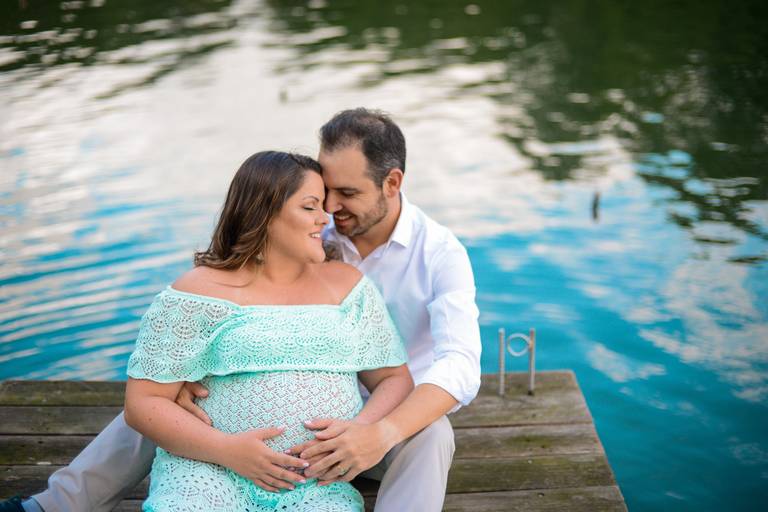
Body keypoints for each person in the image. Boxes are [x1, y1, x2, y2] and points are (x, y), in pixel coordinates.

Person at [7, 108, 481, 512]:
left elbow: (459, 365)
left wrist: (376, 431)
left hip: (378, 417)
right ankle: (57, 503)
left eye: (347, 195)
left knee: (433, 433)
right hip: (246, 419)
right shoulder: (315, 229)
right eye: (323, 195)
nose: (332, 210)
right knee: (169, 398)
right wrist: (197, 360)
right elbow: (237, 271)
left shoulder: (438, 254)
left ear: (391, 183)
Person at [128, 150, 413, 511]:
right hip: (208, 470)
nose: (325, 220)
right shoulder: (195, 292)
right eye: (310, 207)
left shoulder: (349, 287)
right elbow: (143, 404)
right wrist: (228, 451)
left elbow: (394, 378)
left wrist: (363, 429)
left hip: (316, 484)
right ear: (263, 213)